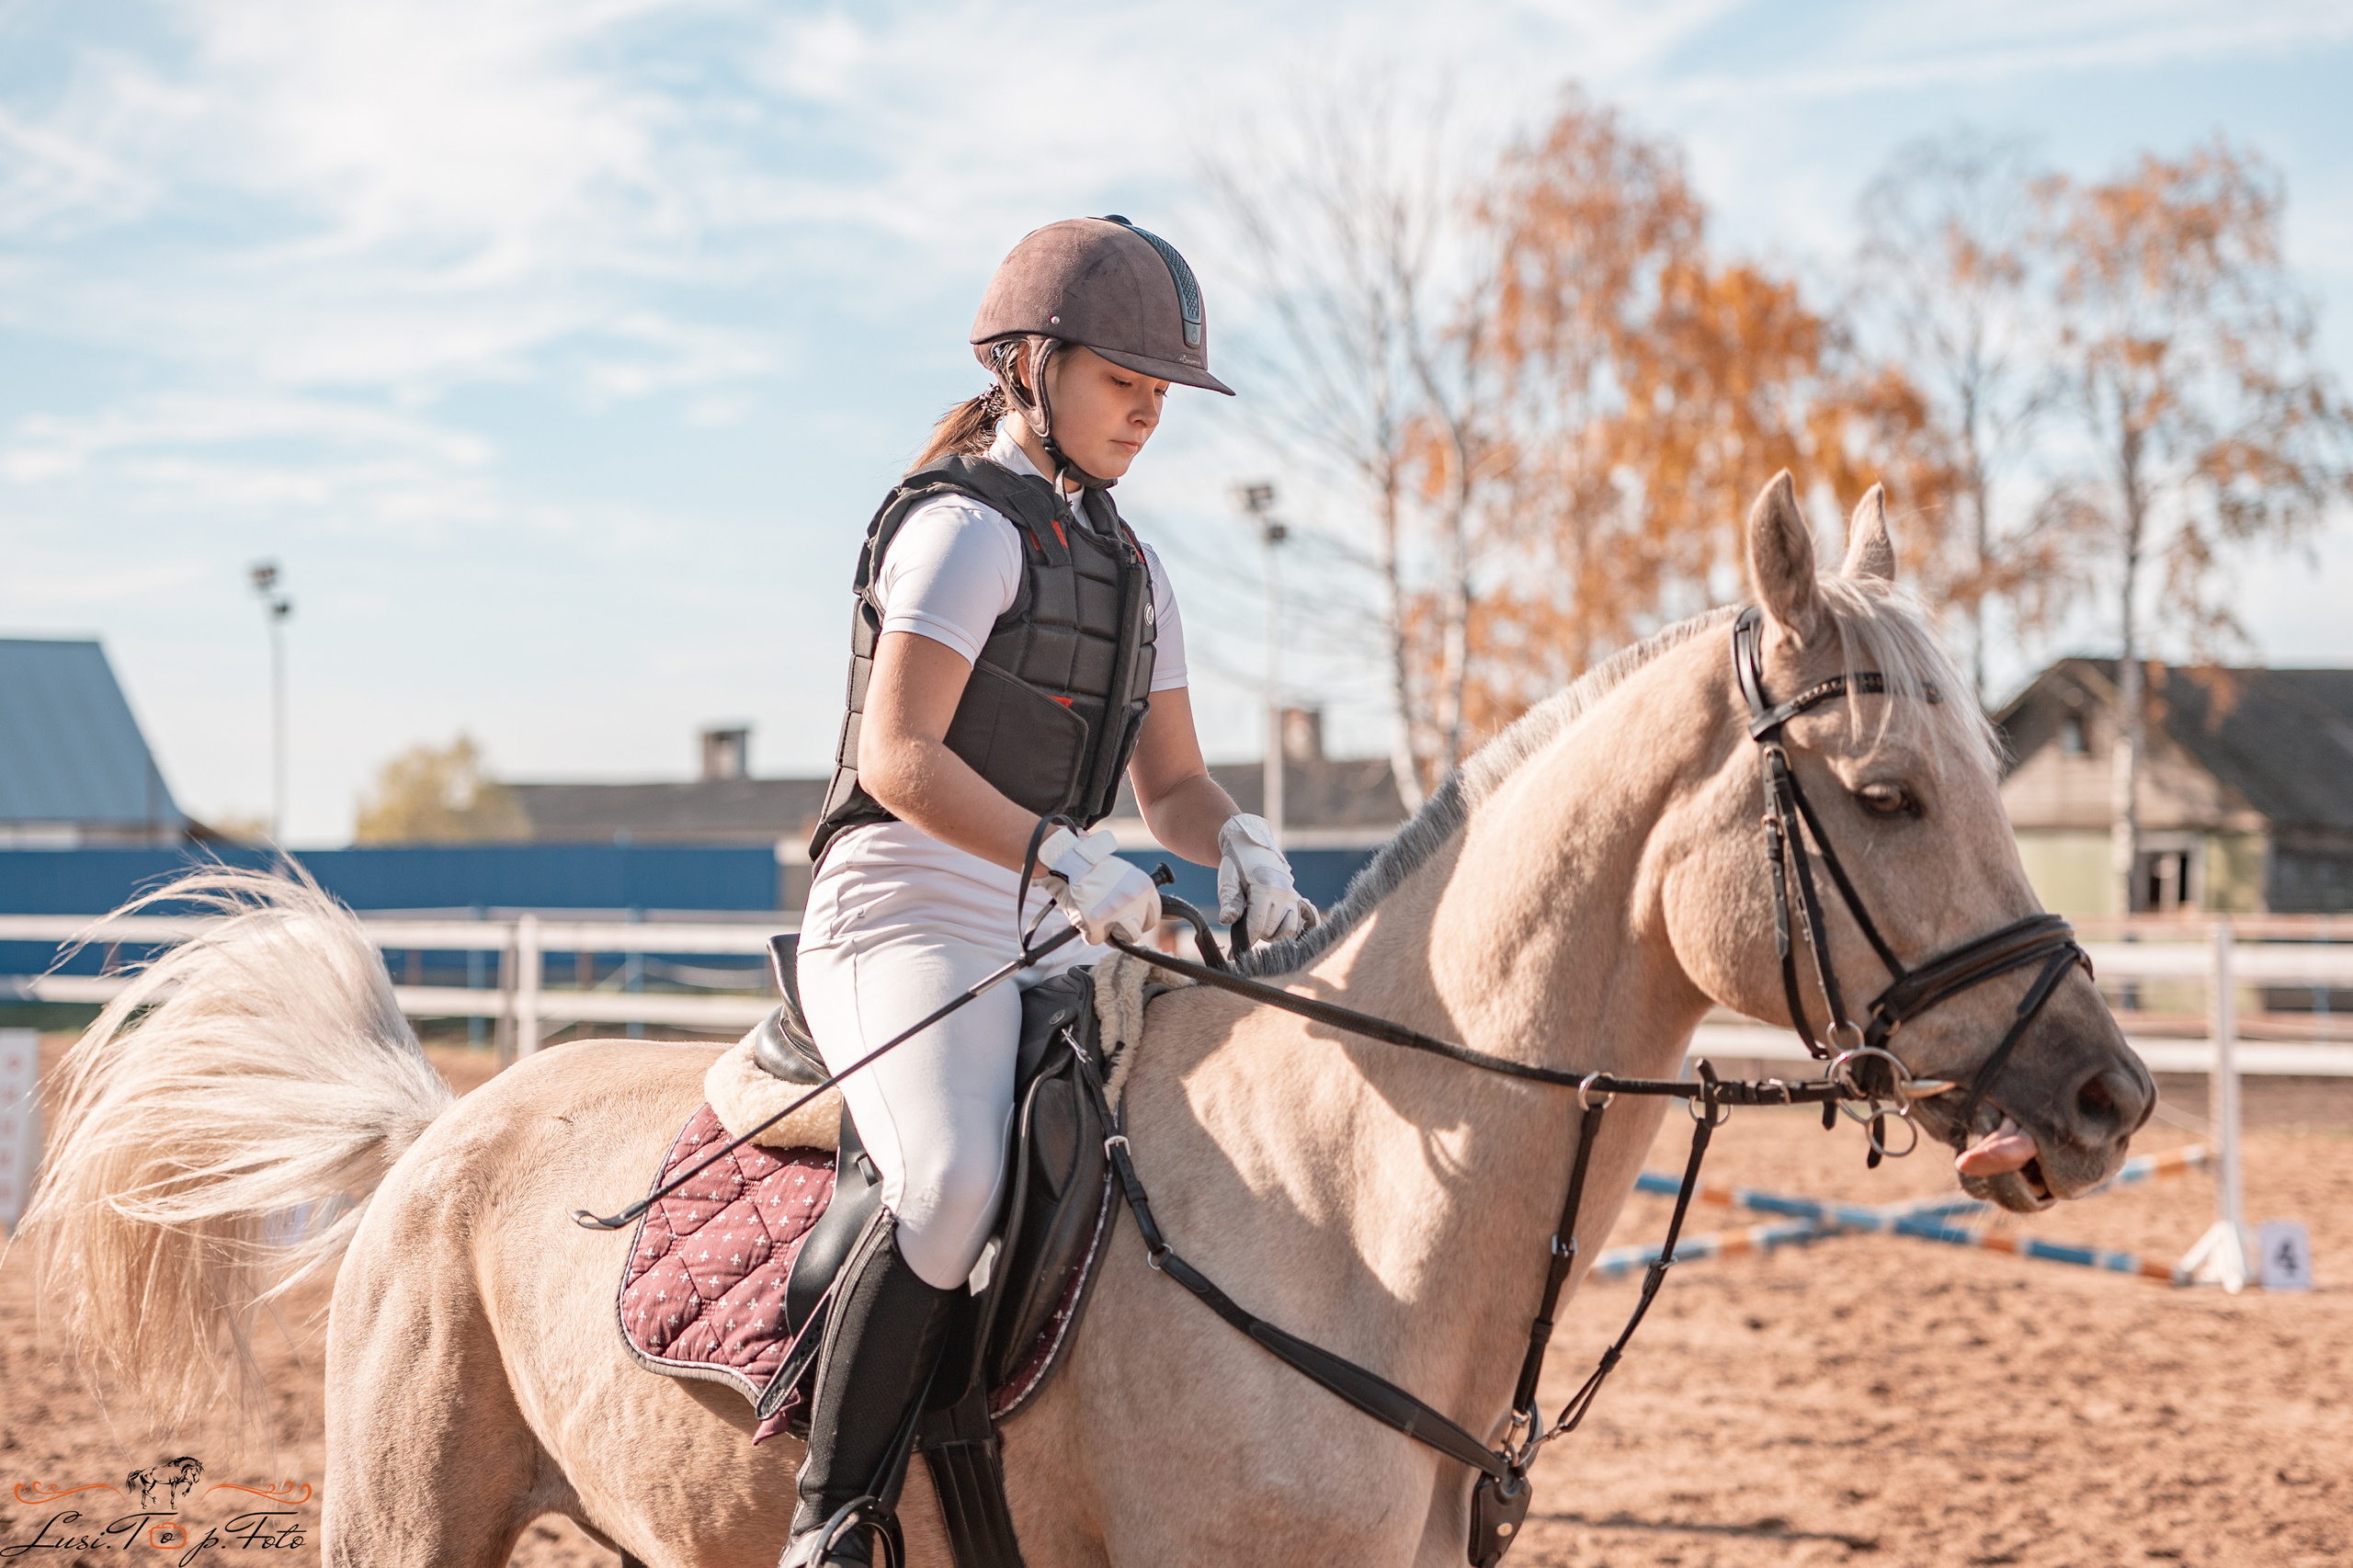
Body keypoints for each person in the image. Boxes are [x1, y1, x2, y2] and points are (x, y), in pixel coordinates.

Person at [782, 216, 1320, 1568]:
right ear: (1031, 364)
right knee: (954, 1180)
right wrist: (1057, 855)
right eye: (1121, 376)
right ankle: (829, 1517)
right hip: (904, 903)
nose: (1147, 406)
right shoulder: (965, 530)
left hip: (1042, 911)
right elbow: (895, 755)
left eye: (1162, 388)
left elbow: (1172, 787)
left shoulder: (1140, 572)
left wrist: (1236, 840)